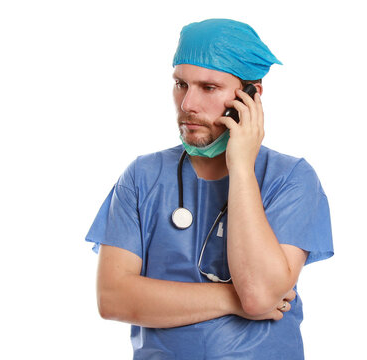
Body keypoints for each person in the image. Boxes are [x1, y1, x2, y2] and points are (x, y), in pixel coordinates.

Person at [85, 19, 333, 359]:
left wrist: (242, 168)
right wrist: (234, 300)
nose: (188, 104)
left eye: (209, 88)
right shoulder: (142, 176)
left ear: (250, 96)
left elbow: (260, 293)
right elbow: (113, 298)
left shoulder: (291, 179)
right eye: (180, 84)